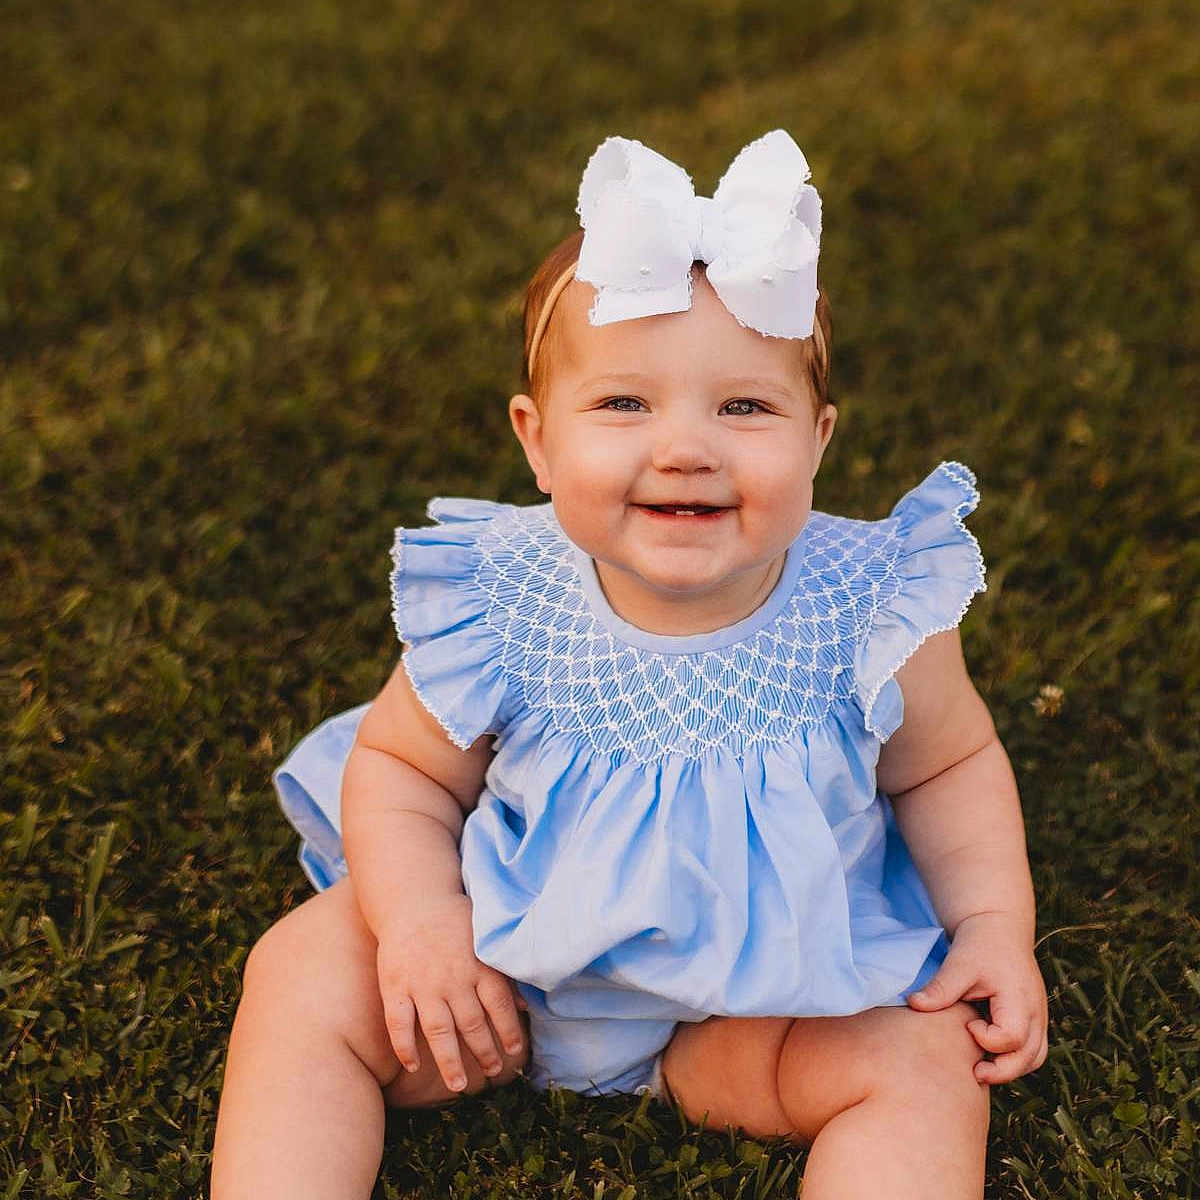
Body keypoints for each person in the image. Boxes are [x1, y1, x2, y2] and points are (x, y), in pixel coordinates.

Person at [211, 130, 1048, 1200]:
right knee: (299, 971)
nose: (688, 446)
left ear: (819, 439)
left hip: (757, 1013)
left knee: (926, 1060)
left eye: (744, 406)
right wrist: (425, 925)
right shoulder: (504, 594)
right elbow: (404, 772)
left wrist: (992, 930)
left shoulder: (877, 607)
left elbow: (948, 768)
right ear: (537, 440)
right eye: (623, 404)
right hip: (498, 975)